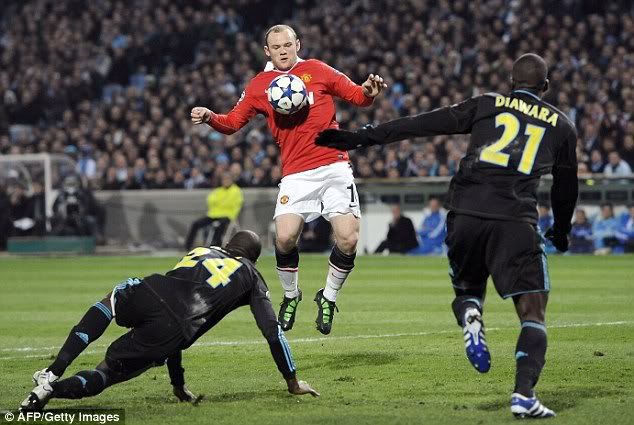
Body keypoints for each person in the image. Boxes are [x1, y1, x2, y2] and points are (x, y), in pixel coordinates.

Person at [317, 53, 578, 418]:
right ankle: (523, 395)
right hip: (514, 221)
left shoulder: (487, 104)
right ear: (545, 87)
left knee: (468, 292)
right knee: (533, 312)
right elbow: (566, 189)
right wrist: (562, 232)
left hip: (465, 213)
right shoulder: (563, 126)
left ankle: (471, 311)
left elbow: (422, 124)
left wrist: (360, 139)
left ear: (510, 82)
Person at [191, 24, 387, 335]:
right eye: (276, 47)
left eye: (288, 44)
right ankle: (291, 295)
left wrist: (368, 92)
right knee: (283, 238)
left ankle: (328, 296)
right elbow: (231, 123)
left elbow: (357, 95)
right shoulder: (259, 86)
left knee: (348, 239)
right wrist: (210, 117)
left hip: (334, 164)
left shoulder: (317, 70)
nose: (283, 51)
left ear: (297, 44)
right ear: (267, 51)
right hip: (296, 173)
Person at [20, 231, 318, 412]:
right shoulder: (252, 276)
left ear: (227, 243)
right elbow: (272, 332)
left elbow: (173, 300)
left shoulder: (201, 250)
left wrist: (177, 383)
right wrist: (292, 381)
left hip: (155, 290)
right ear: (253, 258)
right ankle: (47, 393)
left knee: (110, 300)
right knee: (107, 373)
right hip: (174, 329)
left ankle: (52, 372)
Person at [184, 173, 243, 250]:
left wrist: (220, 203)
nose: (225, 181)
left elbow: (233, 204)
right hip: (213, 215)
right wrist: (222, 203)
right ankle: (187, 246)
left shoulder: (236, 191)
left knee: (219, 226)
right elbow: (210, 201)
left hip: (227, 215)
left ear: (231, 180)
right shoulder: (218, 190)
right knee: (196, 223)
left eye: (227, 179)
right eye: (224, 179)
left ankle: (216, 246)